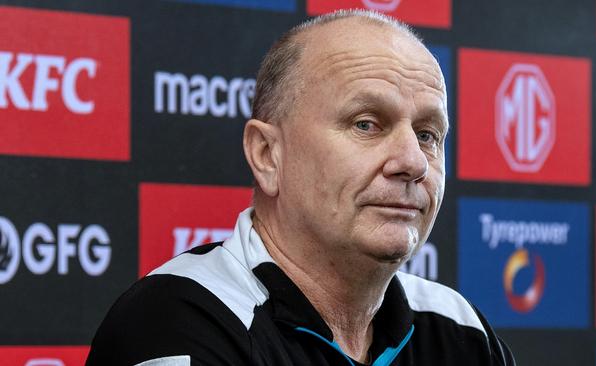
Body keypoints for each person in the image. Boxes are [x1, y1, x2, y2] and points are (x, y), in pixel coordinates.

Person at [87, 9, 515, 366]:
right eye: (366, 124)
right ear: (267, 154)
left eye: (427, 134)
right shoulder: (177, 320)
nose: (413, 162)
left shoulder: (460, 328)